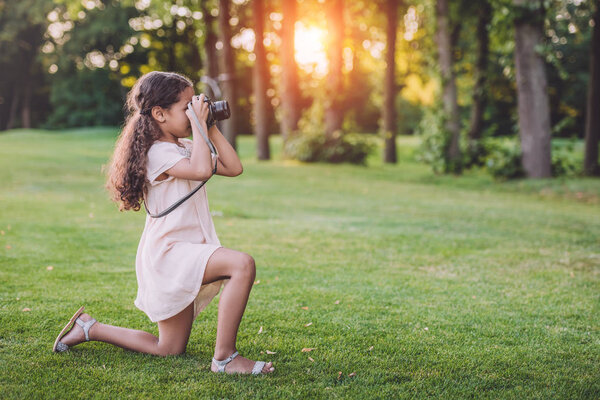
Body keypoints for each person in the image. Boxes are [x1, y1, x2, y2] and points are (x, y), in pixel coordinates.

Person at [52, 71, 274, 375]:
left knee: (168, 348)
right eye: (187, 106)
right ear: (159, 114)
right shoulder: (157, 153)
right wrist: (199, 127)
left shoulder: (182, 147)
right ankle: (225, 358)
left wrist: (208, 126)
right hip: (170, 254)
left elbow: (233, 168)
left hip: (183, 251)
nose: (194, 109)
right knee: (241, 264)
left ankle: (90, 327)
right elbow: (199, 169)